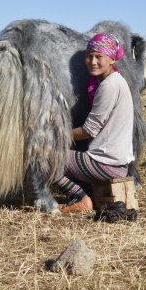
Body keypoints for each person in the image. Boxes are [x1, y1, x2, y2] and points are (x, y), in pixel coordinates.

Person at [55, 33, 135, 212]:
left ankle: (80, 198)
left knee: (43, 155)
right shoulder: (114, 82)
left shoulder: (109, 86)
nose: (93, 61)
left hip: (106, 163)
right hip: (114, 162)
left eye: (99, 57)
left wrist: (57, 134)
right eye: (89, 56)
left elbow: (89, 130)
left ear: (112, 59)